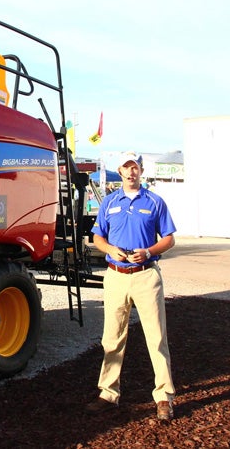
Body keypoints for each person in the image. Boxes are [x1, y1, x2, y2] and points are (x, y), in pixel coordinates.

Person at [85, 151, 176, 421]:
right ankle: (108, 393)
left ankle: (164, 397)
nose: (131, 172)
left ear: (140, 170)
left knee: (157, 338)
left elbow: (169, 239)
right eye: (126, 168)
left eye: (135, 167)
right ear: (120, 171)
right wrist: (111, 248)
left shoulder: (155, 202)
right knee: (111, 338)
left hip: (146, 276)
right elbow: (97, 238)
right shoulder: (110, 202)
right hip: (115, 276)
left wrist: (148, 252)